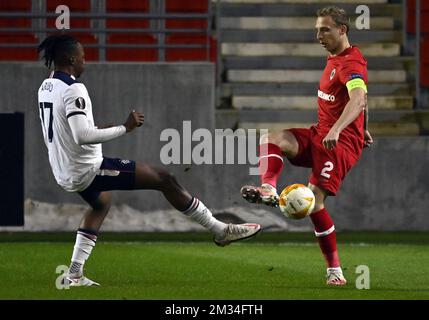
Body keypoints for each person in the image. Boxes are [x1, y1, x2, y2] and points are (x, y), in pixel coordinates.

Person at [37, 34, 261, 287]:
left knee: (101, 203)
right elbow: (81, 136)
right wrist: (125, 127)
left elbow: (65, 128)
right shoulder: (74, 88)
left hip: (62, 168)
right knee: (165, 179)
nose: (84, 62)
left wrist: (99, 128)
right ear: (70, 58)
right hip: (87, 169)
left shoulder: (47, 86)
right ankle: (220, 230)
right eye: (82, 57)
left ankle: (74, 274)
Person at [241, 6, 373, 286]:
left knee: (314, 205)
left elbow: (359, 99)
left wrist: (343, 129)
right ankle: (268, 188)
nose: (318, 35)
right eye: (317, 29)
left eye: (324, 29)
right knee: (272, 139)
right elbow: (359, 100)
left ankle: (335, 271)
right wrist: (364, 126)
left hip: (338, 145)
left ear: (342, 30)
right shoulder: (335, 58)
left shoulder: (351, 63)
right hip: (321, 134)